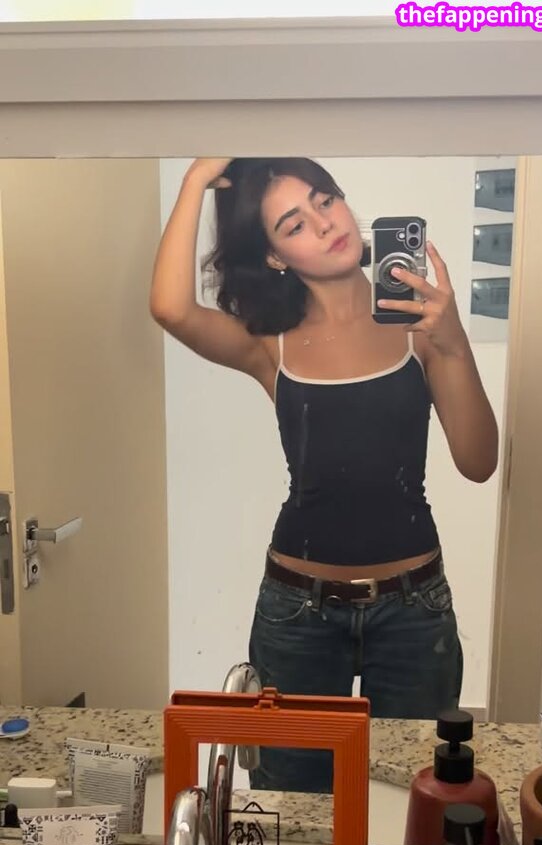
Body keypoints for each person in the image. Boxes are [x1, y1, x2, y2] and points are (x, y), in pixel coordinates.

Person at [150, 156, 498, 794]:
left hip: (414, 611)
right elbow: (171, 309)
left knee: (414, 802)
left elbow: (479, 463)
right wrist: (196, 180)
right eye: (294, 223)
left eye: (325, 200)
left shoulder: (421, 328)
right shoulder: (270, 344)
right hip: (298, 613)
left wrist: (452, 341)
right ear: (275, 256)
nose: (324, 222)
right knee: (293, 813)